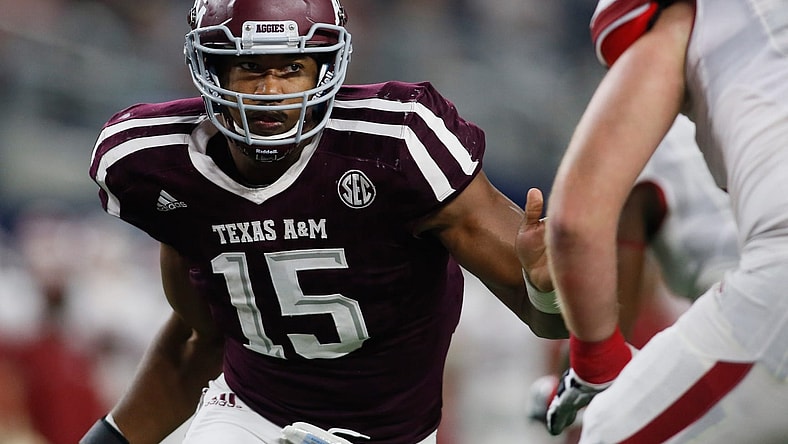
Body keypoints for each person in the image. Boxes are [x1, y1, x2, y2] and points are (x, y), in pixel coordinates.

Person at [80, 0, 567, 443]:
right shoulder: (155, 162)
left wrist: (549, 287)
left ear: (325, 71)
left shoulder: (397, 147)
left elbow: (551, 319)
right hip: (248, 412)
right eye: (249, 67)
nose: (269, 92)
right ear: (212, 69)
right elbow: (197, 336)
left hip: (391, 434)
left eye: (292, 67)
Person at [543, 0, 788, 442]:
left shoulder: (680, 24)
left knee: (608, 431)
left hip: (775, 289)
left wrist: (597, 364)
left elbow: (574, 223)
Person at [527, 114, 740, 440]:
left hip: (743, 324)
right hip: (749, 315)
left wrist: (563, 381)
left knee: (605, 432)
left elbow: (607, 325)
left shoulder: (640, 133)